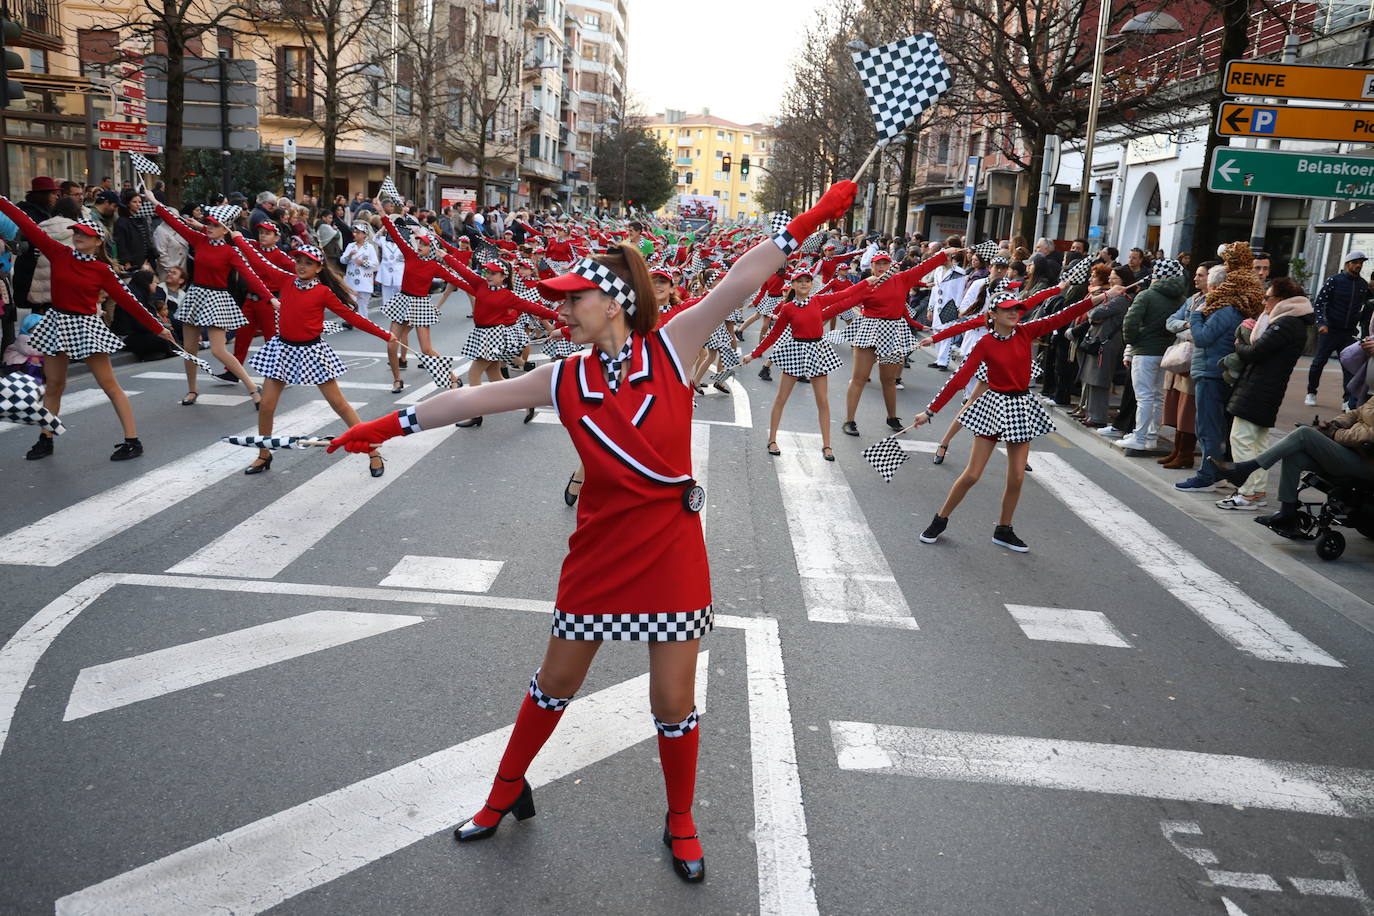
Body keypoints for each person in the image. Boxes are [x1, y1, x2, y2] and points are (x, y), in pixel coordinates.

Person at [324, 182, 858, 884]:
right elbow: (468, 398)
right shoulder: (564, 376)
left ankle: (680, 818)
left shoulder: (673, 347)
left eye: (573, 298)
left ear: (613, 302)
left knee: (671, 700)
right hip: (599, 549)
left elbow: (742, 277)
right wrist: (380, 425)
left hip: (669, 547)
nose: (561, 308)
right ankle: (504, 791)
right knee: (554, 682)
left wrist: (815, 218)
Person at [915, 280, 1115, 550]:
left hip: (1020, 405)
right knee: (973, 474)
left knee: (1017, 476)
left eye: (1018, 308)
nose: (1015, 313)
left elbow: (1064, 314)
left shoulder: (1026, 331)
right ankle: (940, 519)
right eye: (1008, 309)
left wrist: (1104, 296)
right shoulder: (985, 343)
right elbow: (959, 379)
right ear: (993, 314)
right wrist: (930, 410)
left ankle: (1003, 529)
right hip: (993, 406)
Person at [0, 196, 174, 461]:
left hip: (86, 327)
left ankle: (132, 440)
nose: (78, 236)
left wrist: (158, 327)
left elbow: (130, 301)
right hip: (58, 322)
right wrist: (2, 201)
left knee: (109, 385)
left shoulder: (102, 270)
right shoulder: (59, 252)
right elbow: (28, 224)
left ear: (97, 241)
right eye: (76, 232)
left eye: (84, 234)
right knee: (55, 384)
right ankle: (45, 439)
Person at [234, 238, 392, 478]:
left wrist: (384, 334)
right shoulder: (286, 281)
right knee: (266, 406)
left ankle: (373, 451)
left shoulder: (323, 292)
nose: (301, 266)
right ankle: (264, 453)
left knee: (340, 405)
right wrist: (236, 238)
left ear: (319, 268)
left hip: (312, 351)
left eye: (309, 263)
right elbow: (259, 262)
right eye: (298, 261)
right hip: (283, 350)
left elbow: (353, 318)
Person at [153, 201, 275, 408]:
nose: (208, 227)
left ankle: (253, 388)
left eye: (214, 225)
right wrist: (155, 202)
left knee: (219, 350)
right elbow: (175, 223)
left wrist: (270, 297)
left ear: (225, 229)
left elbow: (251, 276)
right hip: (196, 296)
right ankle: (192, 390)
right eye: (207, 223)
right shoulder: (199, 240)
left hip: (217, 299)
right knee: (189, 349)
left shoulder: (231, 252)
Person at [741, 267, 869, 460]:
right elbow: (775, 334)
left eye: (807, 280)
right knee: (781, 398)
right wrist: (754, 353)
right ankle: (772, 439)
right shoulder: (788, 308)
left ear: (811, 284)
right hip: (795, 350)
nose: (803, 283)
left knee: (822, 401)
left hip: (817, 350)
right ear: (792, 284)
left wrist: (868, 283)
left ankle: (827, 445)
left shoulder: (818, 300)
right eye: (799, 280)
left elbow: (845, 294)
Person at [1214, 276, 1315, 510]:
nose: (1264, 302)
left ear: (1281, 299)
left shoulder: (1286, 323)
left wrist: (1239, 344)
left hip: (1260, 387)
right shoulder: (1293, 322)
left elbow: (1256, 351)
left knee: (1242, 438)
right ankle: (1255, 491)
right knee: (1257, 442)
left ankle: (1248, 493)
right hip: (1266, 388)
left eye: (1267, 297)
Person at [1211, 400, 1374, 537]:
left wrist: (1335, 433)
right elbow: (1356, 412)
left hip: (1365, 461)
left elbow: (1369, 435)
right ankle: (1287, 514)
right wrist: (1335, 424)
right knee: (1294, 455)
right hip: (1350, 450)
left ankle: (1245, 469)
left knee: (1304, 433)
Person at [1176, 241, 1262, 492]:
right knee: (1213, 425)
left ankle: (1208, 473)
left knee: (1208, 426)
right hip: (1214, 370)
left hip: (1212, 372)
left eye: (1211, 285)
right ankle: (1214, 470)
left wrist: (1196, 315)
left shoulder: (1223, 309)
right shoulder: (1231, 307)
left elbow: (1202, 338)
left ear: (1218, 286)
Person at [841, 250, 952, 436]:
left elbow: (924, 267)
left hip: (891, 332)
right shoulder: (866, 283)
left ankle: (892, 417)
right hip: (868, 330)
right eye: (877, 263)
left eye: (885, 263)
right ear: (872, 266)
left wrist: (943, 254)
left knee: (889, 380)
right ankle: (849, 420)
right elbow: (844, 300)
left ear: (890, 265)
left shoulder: (902, 279)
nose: (881, 267)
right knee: (859, 378)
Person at [1119, 259, 1188, 451]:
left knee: (1144, 396)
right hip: (1167, 353)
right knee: (1158, 396)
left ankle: (1139, 437)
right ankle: (1151, 436)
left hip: (1145, 351)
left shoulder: (1147, 295)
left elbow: (1130, 322)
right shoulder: (1182, 299)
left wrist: (1133, 340)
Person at [1307, 251, 1373, 409]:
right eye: (1356, 262)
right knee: (1319, 362)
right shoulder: (1334, 281)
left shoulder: (1363, 285)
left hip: (1348, 332)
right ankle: (1311, 392)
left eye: (1361, 263)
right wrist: (1321, 323)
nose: (1358, 265)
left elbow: (1366, 308)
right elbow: (1319, 303)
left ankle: (1347, 399)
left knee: (1349, 364)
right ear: (1347, 263)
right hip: (1330, 330)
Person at [1079, 266, 1134, 429]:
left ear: (1123, 281)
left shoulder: (1121, 299)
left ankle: (1098, 416)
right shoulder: (1112, 297)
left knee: (1100, 379)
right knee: (1091, 377)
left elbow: (1094, 314)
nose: (1110, 280)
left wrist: (1094, 312)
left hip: (1107, 343)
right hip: (1099, 340)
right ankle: (1091, 413)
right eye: (1110, 277)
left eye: (1114, 278)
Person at [340, 223, 379, 321]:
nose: (355, 234)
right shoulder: (350, 246)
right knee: (350, 301)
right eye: (355, 232)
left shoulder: (369, 247)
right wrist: (349, 256)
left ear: (364, 234)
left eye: (358, 232)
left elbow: (375, 263)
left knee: (363, 302)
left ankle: (364, 321)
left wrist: (363, 262)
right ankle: (350, 320)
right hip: (351, 278)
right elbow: (342, 260)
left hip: (364, 278)